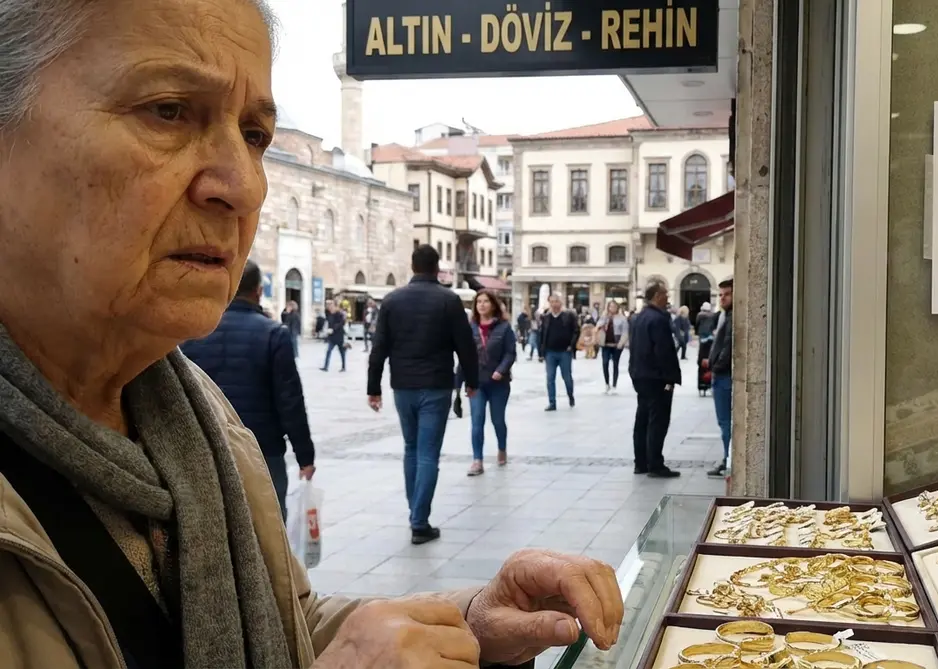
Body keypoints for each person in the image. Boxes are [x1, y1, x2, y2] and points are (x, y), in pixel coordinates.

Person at [0, 0, 623, 666]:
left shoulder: (201, 425)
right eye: (169, 110)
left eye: (255, 135)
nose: (242, 186)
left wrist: (468, 623)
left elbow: (281, 623)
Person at [181, 261, 316, 514]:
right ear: (258, 291)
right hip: (262, 451)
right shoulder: (274, 334)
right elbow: (290, 401)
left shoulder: (194, 333)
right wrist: (305, 456)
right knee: (270, 531)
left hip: (209, 448)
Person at [368, 245, 479, 544]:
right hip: (436, 385)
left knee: (410, 448)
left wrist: (373, 388)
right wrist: (471, 380)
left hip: (402, 385)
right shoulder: (449, 300)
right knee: (428, 453)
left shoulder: (392, 301)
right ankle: (420, 520)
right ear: (436, 267)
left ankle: (414, 510)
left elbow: (379, 347)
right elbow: (465, 346)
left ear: (413, 266)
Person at [628, 282, 682, 478]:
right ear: (657, 295)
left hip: (640, 376)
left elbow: (633, 347)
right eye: (665, 294)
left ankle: (640, 462)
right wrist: (670, 378)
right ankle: (655, 464)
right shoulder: (658, 319)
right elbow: (664, 351)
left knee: (642, 419)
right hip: (657, 378)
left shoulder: (638, 317)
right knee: (658, 420)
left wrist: (633, 372)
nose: (667, 298)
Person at [460, 290, 516, 476]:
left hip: (498, 382)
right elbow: (464, 356)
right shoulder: (470, 328)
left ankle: (502, 447)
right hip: (476, 382)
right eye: (479, 302)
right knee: (477, 420)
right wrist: (457, 382)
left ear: (493, 304)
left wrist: (501, 370)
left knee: (497, 420)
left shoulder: (504, 328)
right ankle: (477, 461)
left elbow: (510, 353)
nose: (482, 305)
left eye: (485, 301)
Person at [706, 280, 735, 478]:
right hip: (720, 374)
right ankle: (727, 459)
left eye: (727, 294)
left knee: (726, 423)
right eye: (720, 294)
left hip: (724, 376)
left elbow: (728, 347)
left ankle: (728, 460)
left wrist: (715, 366)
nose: (722, 298)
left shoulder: (732, 317)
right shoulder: (725, 316)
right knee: (724, 422)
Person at [539, 293, 579, 411]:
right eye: (552, 302)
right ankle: (552, 402)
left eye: (556, 301)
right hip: (550, 352)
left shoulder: (568, 316)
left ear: (561, 302)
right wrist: (542, 352)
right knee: (550, 378)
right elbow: (541, 335)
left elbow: (576, 331)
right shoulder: (546, 317)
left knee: (566, 377)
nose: (554, 304)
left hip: (564, 351)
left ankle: (570, 395)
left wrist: (571, 346)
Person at [596, 301, 629, 394]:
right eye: (610, 306)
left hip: (616, 344)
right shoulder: (604, 317)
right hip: (605, 344)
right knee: (605, 363)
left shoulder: (622, 318)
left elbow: (625, 332)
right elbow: (597, 326)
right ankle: (607, 384)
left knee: (615, 364)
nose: (612, 308)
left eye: (614, 306)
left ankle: (614, 385)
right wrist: (601, 325)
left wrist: (621, 343)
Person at [320, 300, 347, 372]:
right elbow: (327, 322)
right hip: (331, 336)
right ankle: (326, 367)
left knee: (342, 352)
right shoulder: (328, 314)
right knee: (328, 351)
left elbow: (342, 323)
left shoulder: (339, 314)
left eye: (331, 306)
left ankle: (343, 367)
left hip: (339, 336)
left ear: (335, 306)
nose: (329, 307)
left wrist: (333, 329)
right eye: (328, 306)